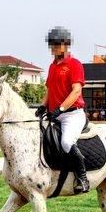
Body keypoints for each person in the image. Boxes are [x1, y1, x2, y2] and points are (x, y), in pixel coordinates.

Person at [35, 26, 89, 193]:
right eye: (52, 45)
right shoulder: (52, 66)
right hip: (54, 115)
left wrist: (61, 108)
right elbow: (50, 91)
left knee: (66, 142)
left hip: (72, 115)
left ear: (66, 45)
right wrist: (43, 105)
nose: (54, 48)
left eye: (57, 45)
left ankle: (82, 178)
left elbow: (76, 91)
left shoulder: (74, 64)